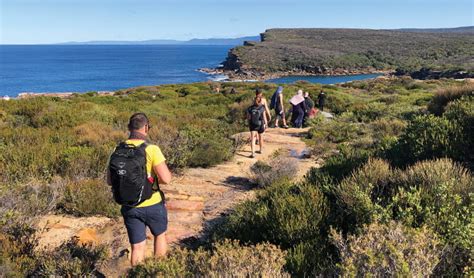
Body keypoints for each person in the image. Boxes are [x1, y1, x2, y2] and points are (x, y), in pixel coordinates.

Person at [107, 113, 172, 266]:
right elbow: (166, 179)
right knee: (160, 236)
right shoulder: (152, 149)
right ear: (146, 128)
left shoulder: (117, 149)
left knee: (137, 247)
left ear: (129, 128)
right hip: (153, 203)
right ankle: (158, 271)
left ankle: (138, 274)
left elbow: (109, 181)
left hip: (129, 206)